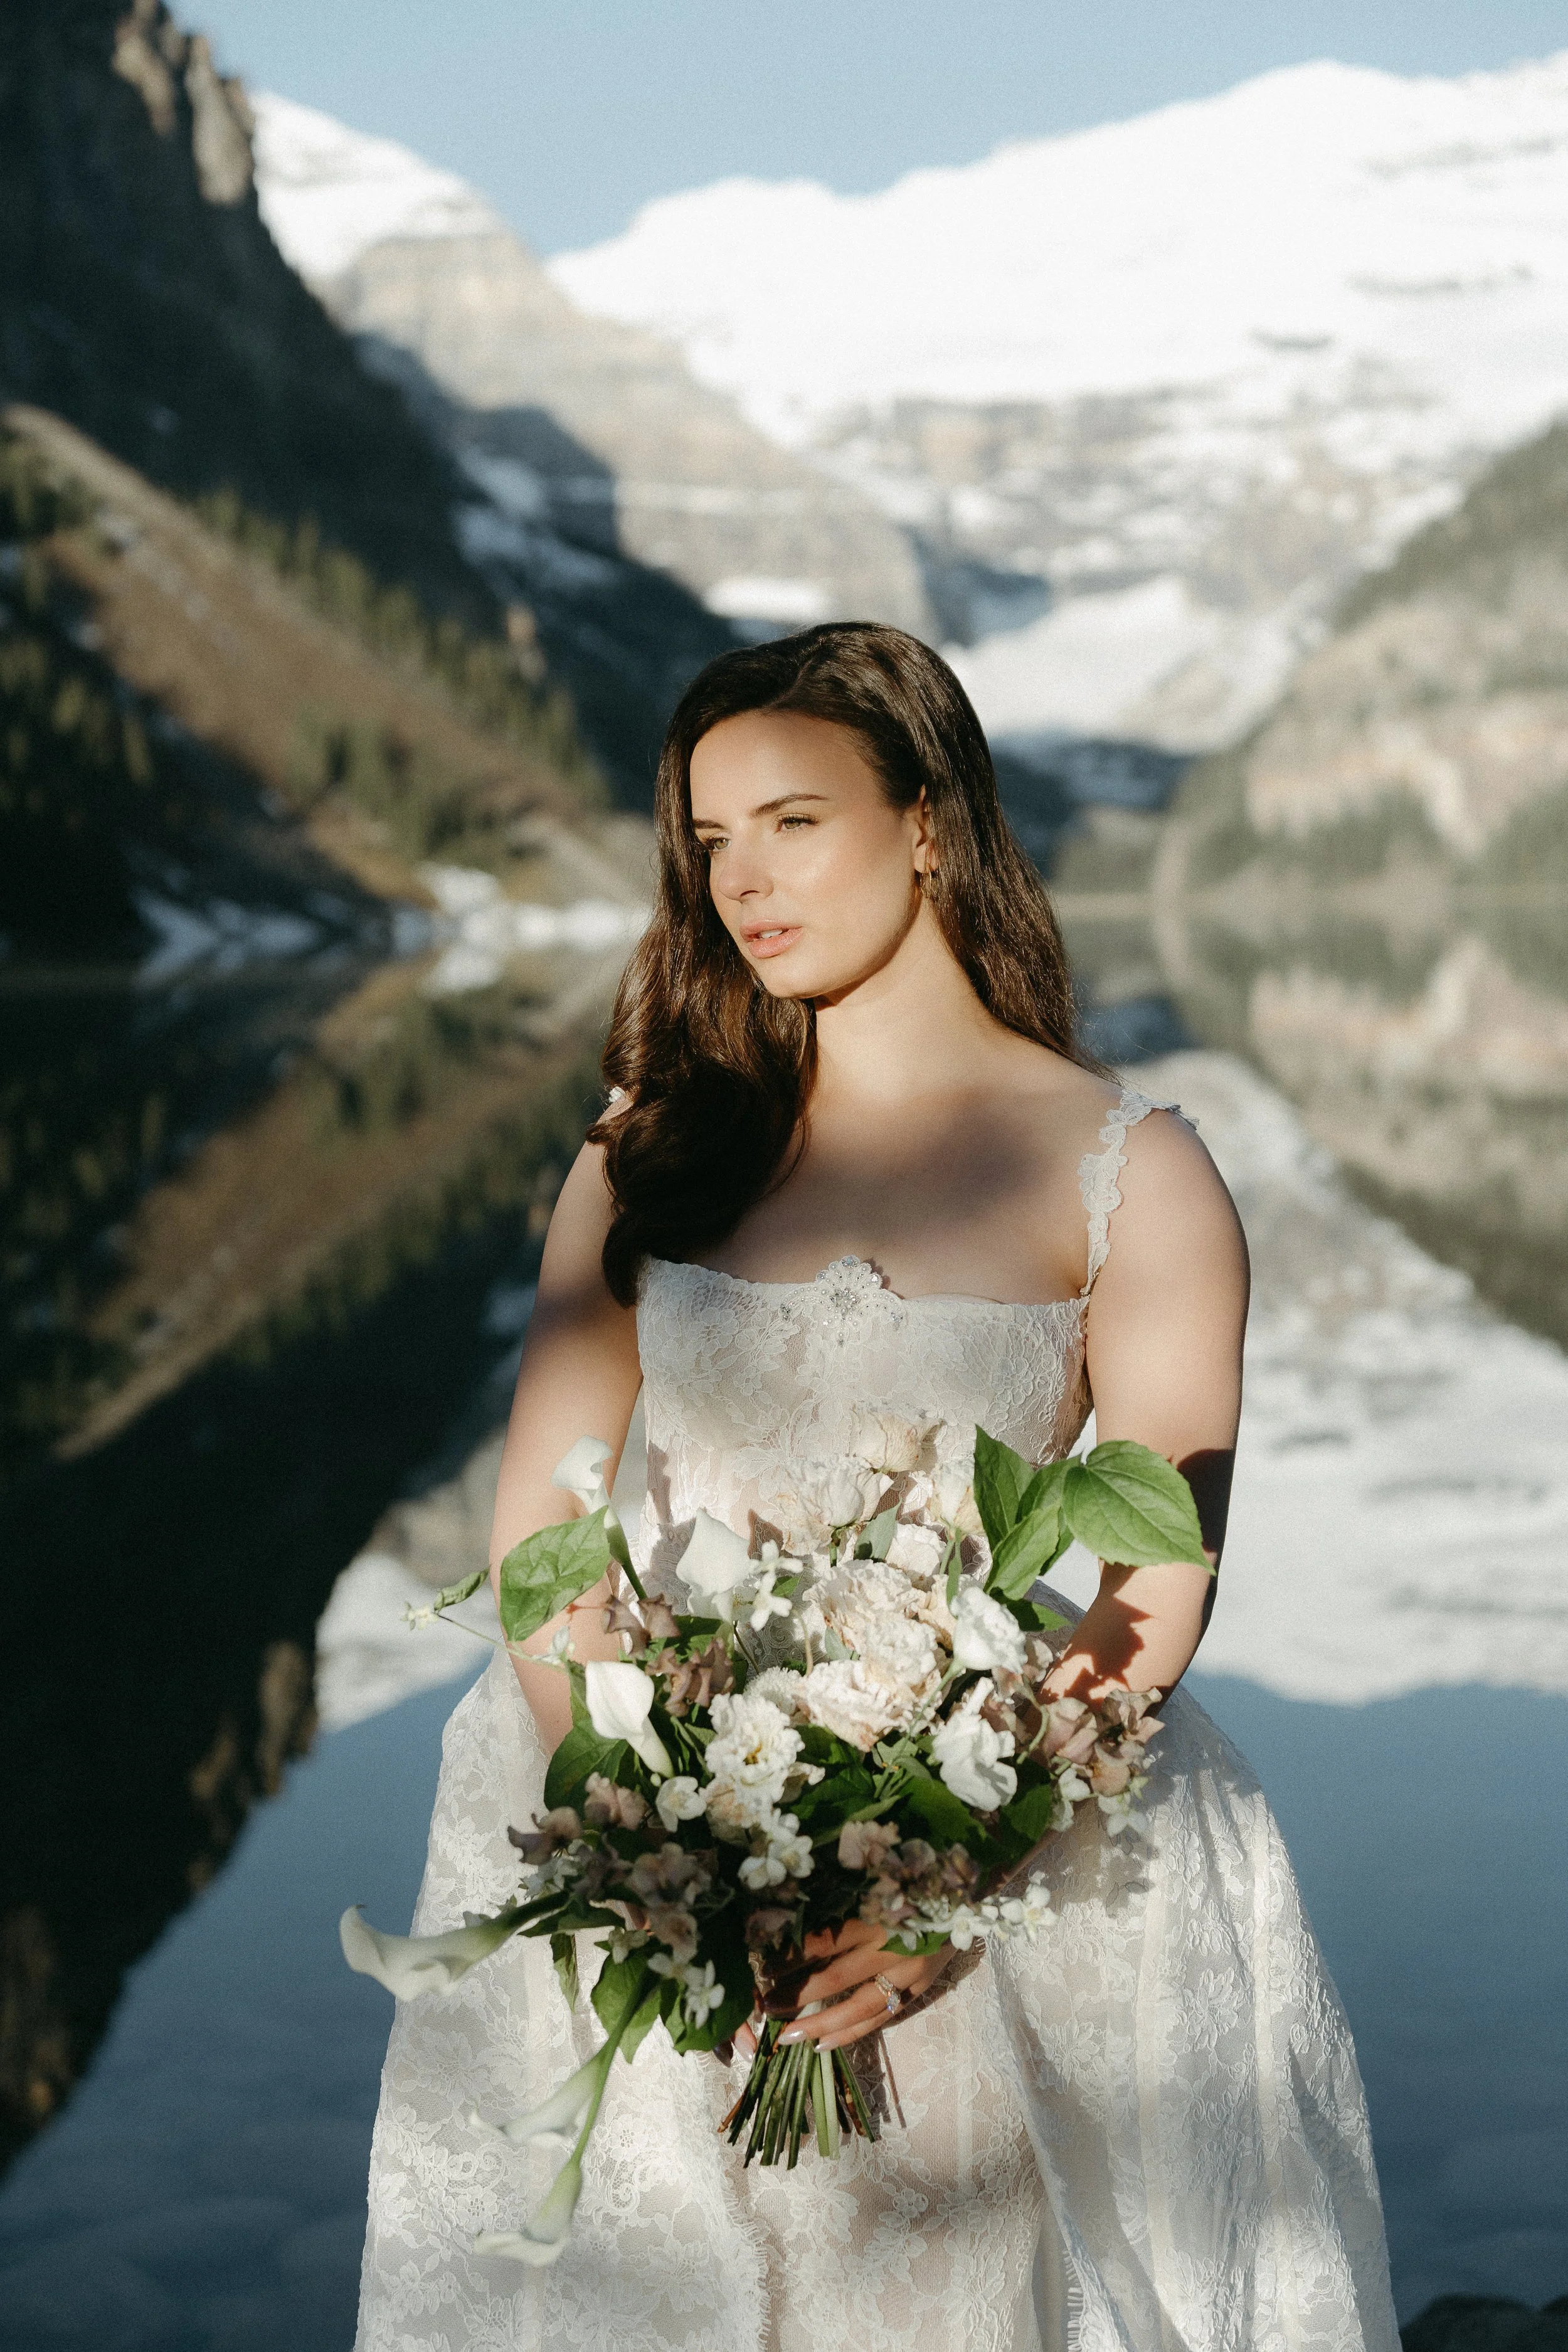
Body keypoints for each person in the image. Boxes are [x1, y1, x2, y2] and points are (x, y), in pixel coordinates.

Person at [355, 625, 1399, 2352]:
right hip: (641, 1799)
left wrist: (943, 1888)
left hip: (1002, 1816)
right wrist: (644, 1823)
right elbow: (543, 1520)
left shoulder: (1136, 1170)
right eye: (708, 843)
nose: (742, 881)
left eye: (791, 821)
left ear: (926, 822)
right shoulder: (645, 1151)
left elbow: (1154, 1574)